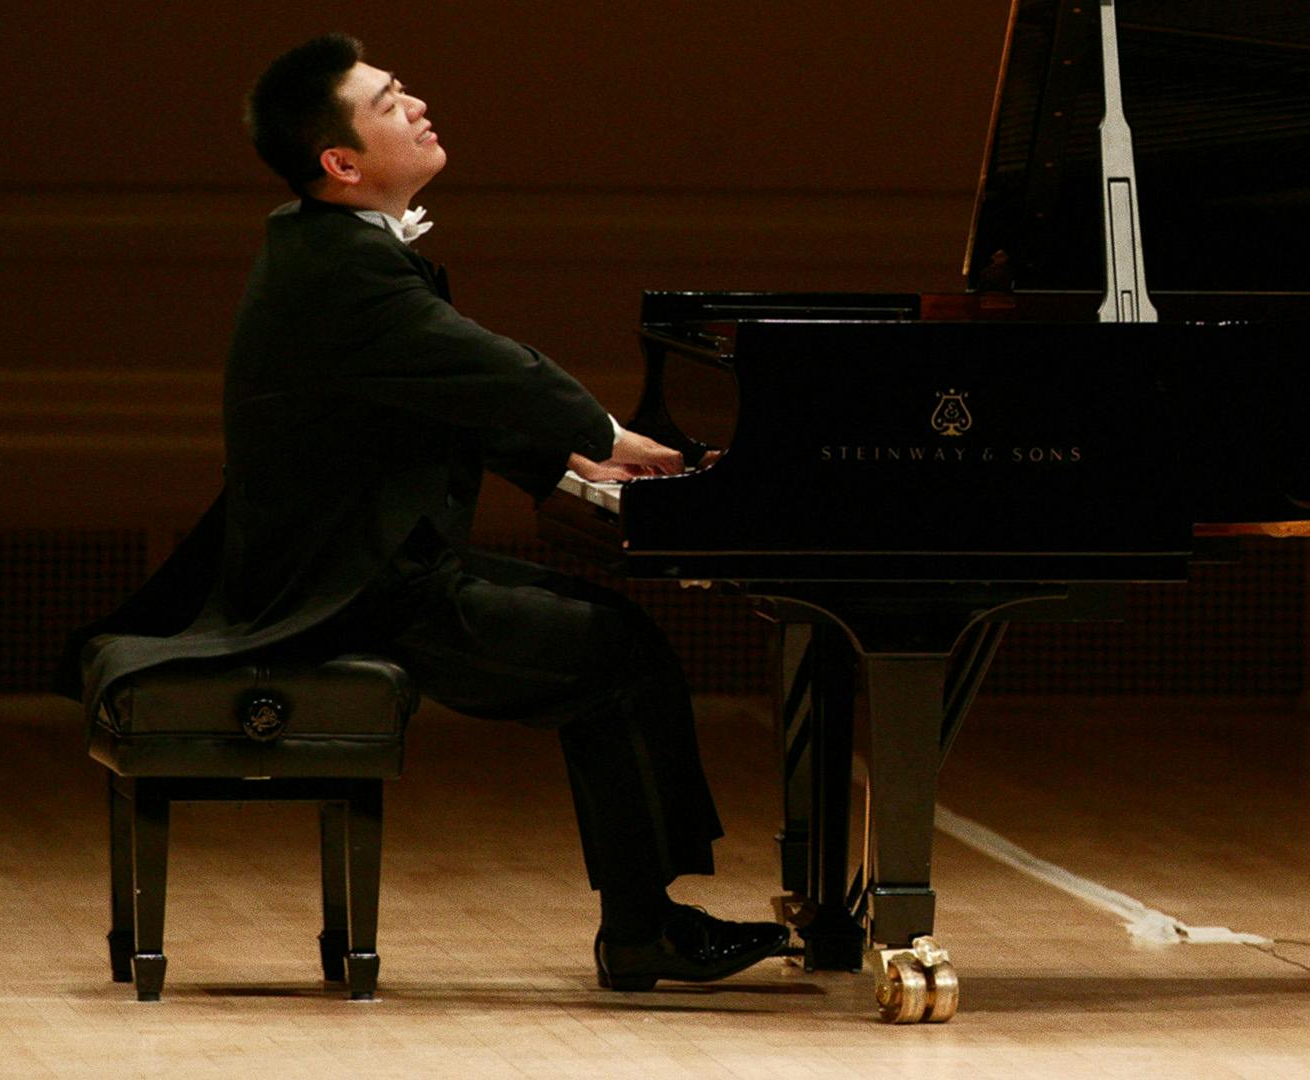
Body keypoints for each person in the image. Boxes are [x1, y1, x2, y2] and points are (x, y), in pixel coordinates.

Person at [57, 32, 788, 991]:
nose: (417, 104)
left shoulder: (328, 251)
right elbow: (489, 366)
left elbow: (450, 399)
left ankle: (647, 920)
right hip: (349, 591)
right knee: (612, 655)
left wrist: (583, 473)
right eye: (389, 100)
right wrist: (603, 436)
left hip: (375, 566)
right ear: (341, 161)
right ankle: (644, 929)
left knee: (616, 633)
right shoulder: (342, 268)